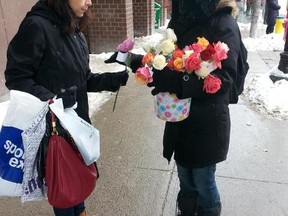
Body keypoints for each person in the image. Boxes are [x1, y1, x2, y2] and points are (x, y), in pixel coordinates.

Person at [106, 0, 245, 215]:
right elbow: (168, 61)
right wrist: (134, 61)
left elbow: (225, 78)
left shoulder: (223, 23)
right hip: (180, 118)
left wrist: (176, 82)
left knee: (203, 182)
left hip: (207, 122)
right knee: (185, 180)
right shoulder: (184, 19)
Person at [4, 0, 129, 215]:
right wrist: (55, 98)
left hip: (76, 125)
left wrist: (112, 79)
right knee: (64, 190)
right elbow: (17, 78)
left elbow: (83, 79)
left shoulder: (75, 31)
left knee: (78, 185)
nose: (89, 2)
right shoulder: (37, 26)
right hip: (53, 131)